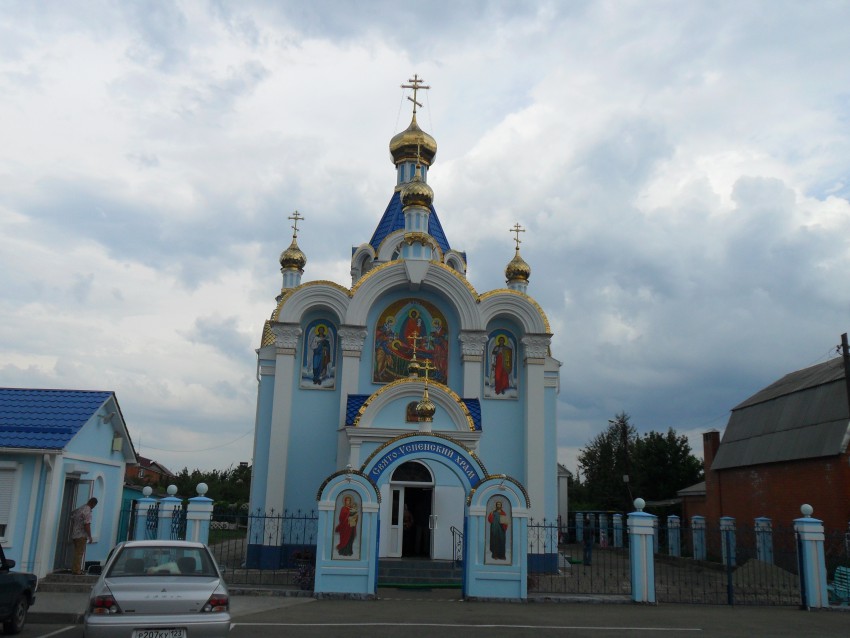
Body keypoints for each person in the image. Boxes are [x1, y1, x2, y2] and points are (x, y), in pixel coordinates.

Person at [70, 497, 98, 575]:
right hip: (81, 535)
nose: (94, 507)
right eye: (94, 506)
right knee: (79, 553)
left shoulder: (80, 509)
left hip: (75, 534)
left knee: (76, 552)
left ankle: (75, 569)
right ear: (93, 504)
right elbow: (87, 524)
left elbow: (72, 518)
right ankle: (77, 570)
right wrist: (90, 536)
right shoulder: (87, 511)